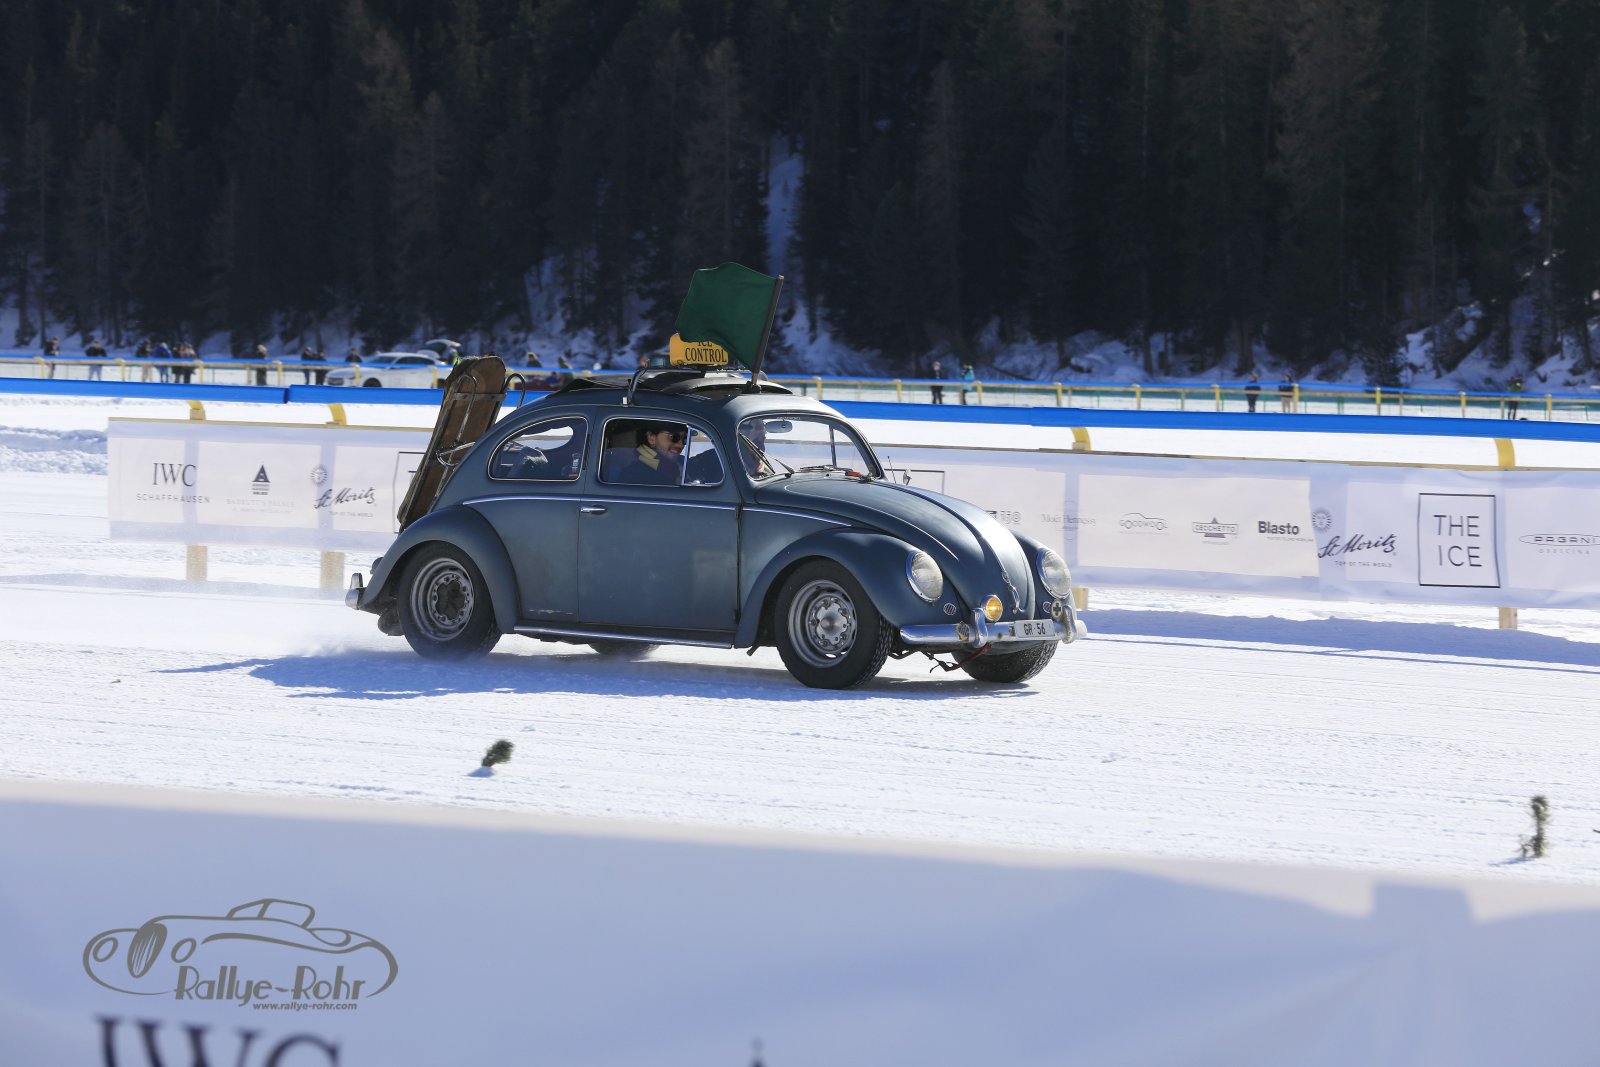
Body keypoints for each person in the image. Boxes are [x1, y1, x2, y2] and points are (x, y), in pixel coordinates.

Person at [616, 423, 685, 485]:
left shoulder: (682, 464)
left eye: (685, 439)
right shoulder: (633, 476)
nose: (681, 445)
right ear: (651, 438)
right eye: (673, 437)